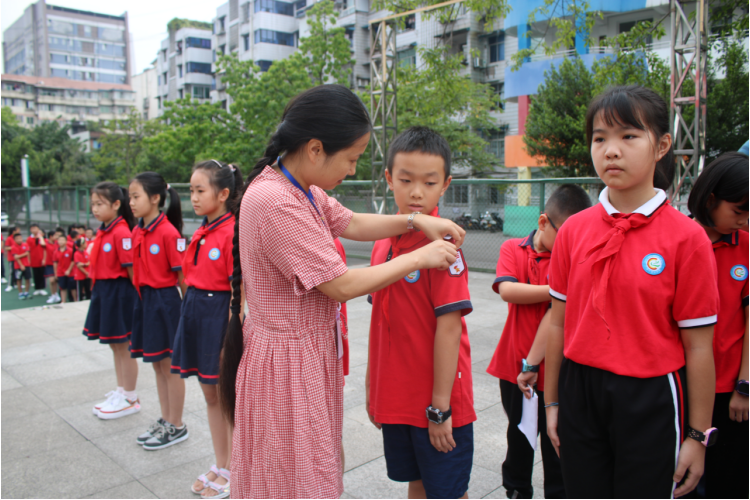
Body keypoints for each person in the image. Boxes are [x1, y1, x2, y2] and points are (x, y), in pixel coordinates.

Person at [220, 85, 463, 499]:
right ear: (316, 149)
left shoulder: (300, 187)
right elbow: (341, 285)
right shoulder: (277, 202)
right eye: (350, 158)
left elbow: (351, 223)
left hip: (303, 356)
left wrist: (415, 223)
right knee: (294, 475)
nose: (351, 170)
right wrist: (420, 258)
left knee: (307, 466)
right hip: (288, 364)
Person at [544, 85, 720, 498]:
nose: (610, 150)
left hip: (651, 395)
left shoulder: (686, 238)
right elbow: (557, 324)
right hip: (580, 391)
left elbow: (698, 348)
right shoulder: (573, 230)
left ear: (660, 146)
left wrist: (697, 435)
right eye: (600, 138)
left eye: (628, 136)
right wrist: (553, 405)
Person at [366, 127, 474, 499]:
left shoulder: (444, 247)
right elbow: (381, 323)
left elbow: (449, 330)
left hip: (438, 404)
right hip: (397, 398)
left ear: (445, 185)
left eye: (429, 183)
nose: (416, 192)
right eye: (405, 180)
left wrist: (440, 410)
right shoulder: (384, 241)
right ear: (388, 179)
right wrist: (373, 388)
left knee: (447, 490)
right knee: (417, 483)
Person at [487, 184, 591, 499]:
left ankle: (558, 492)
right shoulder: (513, 249)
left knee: (556, 438)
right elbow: (508, 290)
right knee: (519, 435)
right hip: (513, 364)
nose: (572, 246)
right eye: (566, 236)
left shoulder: (574, 258)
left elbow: (554, 317)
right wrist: (560, 291)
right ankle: (517, 488)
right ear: (544, 222)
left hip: (559, 369)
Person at [171, 160, 241, 499]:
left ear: (224, 193)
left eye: (201, 190)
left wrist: (231, 337)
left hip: (218, 315)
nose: (194, 197)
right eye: (191, 191)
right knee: (210, 394)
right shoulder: (202, 229)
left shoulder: (232, 233)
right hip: (196, 310)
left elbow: (238, 293)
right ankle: (222, 462)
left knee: (226, 397)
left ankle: (237, 469)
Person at [687, 152, 749, 499]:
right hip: (683, 384)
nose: (744, 220)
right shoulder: (679, 240)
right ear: (710, 199)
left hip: (730, 393)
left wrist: (745, 385)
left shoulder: (746, 246)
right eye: (738, 210)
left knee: (730, 481)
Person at [129, 172, 188, 450]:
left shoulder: (168, 232)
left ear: (155, 198)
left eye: (136, 196)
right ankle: (166, 419)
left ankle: (177, 424)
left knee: (170, 366)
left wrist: (188, 315)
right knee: (156, 364)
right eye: (130, 197)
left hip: (165, 303)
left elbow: (182, 278)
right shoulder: (137, 230)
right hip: (146, 301)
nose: (131, 202)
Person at [84, 182, 140, 419]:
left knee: (123, 346)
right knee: (114, 345)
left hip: (119, 293)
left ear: (117, 205)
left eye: (100, 204)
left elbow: (131, 271)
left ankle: (130, 396)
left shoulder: (120, 232)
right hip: (104, 291)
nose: (95, 209)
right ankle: (120, 390)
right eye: (93, 204)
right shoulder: (104, 230)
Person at [53, 232, 76, 303]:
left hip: (70, 272)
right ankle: (63, 301)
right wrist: (56, 273)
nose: (61, 242)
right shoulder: (56, 252)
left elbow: (73, 261)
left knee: (72, 288)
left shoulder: (70, 250)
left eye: (63, 240)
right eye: (59, 240)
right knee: (62, 287)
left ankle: (75, 300)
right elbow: (55, 263)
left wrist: (69, 270)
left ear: (66, 241)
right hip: (60, 272)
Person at [28, 224, 48, 296]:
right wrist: (29, 260)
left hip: (41, 259)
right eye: (32, 229)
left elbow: (44, 246)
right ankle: (37, 288)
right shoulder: (29, 239)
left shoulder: (42, 238)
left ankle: (42, 288)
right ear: (30, 230)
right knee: (35, 274)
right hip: (33, 260)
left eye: (35, 228)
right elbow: (28, 250)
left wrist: (40, 237)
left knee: (42, 274)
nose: (34, 230)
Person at [11, 232, 32, 300]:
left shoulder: (25, 244)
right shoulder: (13, 247)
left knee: (27, 279)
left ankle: (26, 292)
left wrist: (19, 256)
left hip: (27, 265)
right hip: (18, 267)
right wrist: (21, 265)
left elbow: (27, 253)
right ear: (14, 240)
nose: (19, 239)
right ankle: (20, 293)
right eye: (17, 239)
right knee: (19, 279)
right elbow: (15, 257)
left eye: (20, 238)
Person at [45, 229, 62, 303]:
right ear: (51, 236)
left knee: (56, 280)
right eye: (55, 235)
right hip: (49, 264)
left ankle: (56, 294)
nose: (57, 237)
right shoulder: (46, 243)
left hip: (57, 264)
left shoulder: (57, 243)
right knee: (51, 280)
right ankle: (53, 295)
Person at [5, 226, 19, 292]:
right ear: (14, 231)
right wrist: (14, 247)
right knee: (12, 272)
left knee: (17, 272)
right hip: (11, 258)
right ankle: (10, 285)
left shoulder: (17, 238)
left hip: (18, 258)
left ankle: (16, 284)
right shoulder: (9, 238)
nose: (19, 231)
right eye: (17, 230)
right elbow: (7, 248)